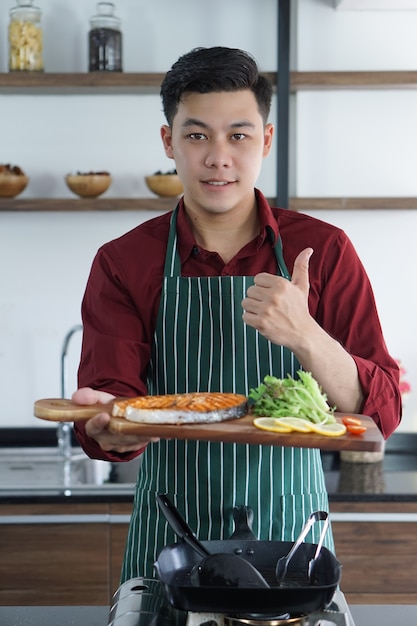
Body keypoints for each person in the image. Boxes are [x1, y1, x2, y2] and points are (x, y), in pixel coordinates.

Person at [73, 46, 401, 581]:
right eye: (197, 135)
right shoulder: (123, 261)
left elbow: (380, 413)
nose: (218, 157)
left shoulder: (323, 249)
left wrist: (306, 335)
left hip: (291, 536)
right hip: (170, 537)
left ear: (266, 141)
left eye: (239, 135)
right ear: (169, 142)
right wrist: (109, 421)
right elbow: (111, 409)